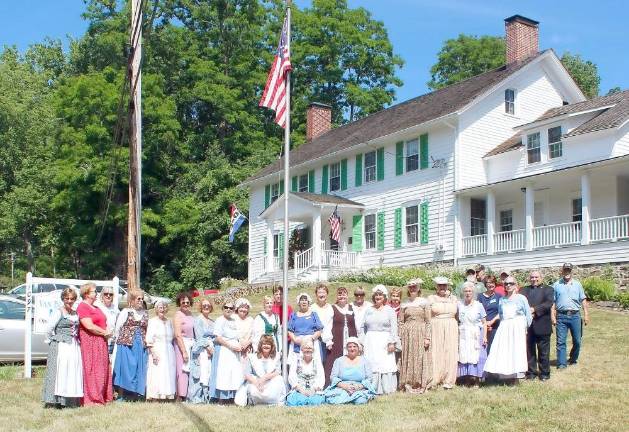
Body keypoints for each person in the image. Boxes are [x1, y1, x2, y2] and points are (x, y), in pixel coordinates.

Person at [483, 276, 532, 381]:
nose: (508, 286)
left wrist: (525, 329)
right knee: (504, 349)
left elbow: (528, 315)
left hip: (517, 327)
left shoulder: (521, 298)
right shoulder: (502, 300)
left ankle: (515, 375)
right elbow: (501, 314)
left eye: (511, 283)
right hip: (505, 327)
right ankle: (505, 374)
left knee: (516, 350)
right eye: (506, 284)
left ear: (515, 285)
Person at [42, 288, 83, 408]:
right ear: (63, 299)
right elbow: (48, 329)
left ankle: (69, 400)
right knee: (60, 372)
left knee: (71, 371)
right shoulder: (59, 312)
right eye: (67, 299)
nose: (69, 301)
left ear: (75, 299)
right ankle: (56, 401)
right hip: (61, 345)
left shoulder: (75, 314)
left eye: (72, 299)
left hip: (73, 346)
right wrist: (52, 340)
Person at [76, 282, 113, 406]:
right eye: (94, 291)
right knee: (92, 369)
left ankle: (102, 395)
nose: (96, 293)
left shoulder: (96, 307)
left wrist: (106, 333)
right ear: (86, 294)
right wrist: (104, 332)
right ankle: (92, 398)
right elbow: (89, 326)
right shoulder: (82, 307)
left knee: (102, 368)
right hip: (90, 342)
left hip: (101, 341)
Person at [360, 285, 399, 395]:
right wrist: (361, 342)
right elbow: (363, 327)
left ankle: (386, 388)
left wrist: (392, 342)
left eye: (380, 295)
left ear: (384, 297)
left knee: (385, 363)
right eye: (376, 295)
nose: (378, 297)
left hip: (384, 341)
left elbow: (394, 328)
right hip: (370, 341)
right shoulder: (368, 310)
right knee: (372, 363)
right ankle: (372, 387)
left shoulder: (389, 310)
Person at [112, 289, 149, 400]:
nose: (141, 301)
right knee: (125, 370)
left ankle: (136, 394)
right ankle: (122, 395)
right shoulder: (125, 312)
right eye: (138, 299)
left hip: (141, 345)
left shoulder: (145, 313)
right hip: (126, 345)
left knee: (139, 369)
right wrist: (119, 343)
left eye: (142, 299)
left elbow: (148, 329)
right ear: (132, 300)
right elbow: (118, 328)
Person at [552, 263, 590, 369]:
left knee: (577, 340)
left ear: (571, 271)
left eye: (569, 270)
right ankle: (561, 363)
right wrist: (552, 316)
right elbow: (553, 302)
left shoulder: (578, 284)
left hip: (575, 316)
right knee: (560, 341)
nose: (567, 272)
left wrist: (586, 314)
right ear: (562, 271)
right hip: (561, 316)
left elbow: (583, 299)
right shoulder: (556, 285)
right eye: (565, 270)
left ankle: (573, 359)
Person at [398, 278, 432, 394]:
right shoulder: (404, 303)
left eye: (415, 287)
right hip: (407, 334)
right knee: (408, 357)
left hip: (420, 333)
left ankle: (420, 383)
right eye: (410, 287)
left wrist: (427, 337)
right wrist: (400, 336)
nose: (412, 289)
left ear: (418, 289)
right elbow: (401, 322)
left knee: (420, 357)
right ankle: (408, 383)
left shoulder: (424, 302)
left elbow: (428, 321)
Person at [520, 271, 554, 381]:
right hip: (528, 326)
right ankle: (531, 373)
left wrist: (534, 310)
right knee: (529, 351)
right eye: (532, 277)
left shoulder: (548, 289)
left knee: (543, 352)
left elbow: (548, 303)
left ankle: (544, 374)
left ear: (541, 278)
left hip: (542, 324)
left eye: (536, 277)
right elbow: (520, 303)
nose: (534, 279)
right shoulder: (524, 290)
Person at [209, 301, 244, 403]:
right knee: (224, 374)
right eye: (226, 307)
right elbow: (218, 338)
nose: (228, 309)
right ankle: (222, 399)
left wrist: (239, 346)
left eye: (231, 308)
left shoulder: (234, 320)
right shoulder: (220, 320)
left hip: (235, 351)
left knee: (234, 374)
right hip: (225, 350)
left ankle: (232, 398)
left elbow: (238, 335)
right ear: (223, 308)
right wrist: (231, 347)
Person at [324, 337, 377, 405]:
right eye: (350, 347)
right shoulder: (339, 361)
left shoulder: (365, 361)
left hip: (359, 388)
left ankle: (352, 398)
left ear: (358, 348)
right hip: (342, 388)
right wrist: (344, 386)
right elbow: (333, 377)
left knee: (361, 401)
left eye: (354, 346)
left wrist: (359, 386)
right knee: (333, 399)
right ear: (346, 348)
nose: (352, 349)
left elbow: (369, 378)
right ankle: (347, 399)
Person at [323, 287, 358, 387]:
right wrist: (328, 341)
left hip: (350, 340)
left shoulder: (352, 308)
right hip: (336, 341)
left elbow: (357, 325)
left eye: (344, 294)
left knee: (351, 361)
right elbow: (327, 325)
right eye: (339, 294)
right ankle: (331, 385)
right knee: (333, 362)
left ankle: (350, 384)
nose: (342, 296)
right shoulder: (332, 308)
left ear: (347, 296)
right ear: (337, 296)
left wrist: (358, 341)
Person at [428, 277, 459, 389]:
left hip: (451, 325)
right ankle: (435, 378)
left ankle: (449, 379)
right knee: (437, 350)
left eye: (444, 285)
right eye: (440, 285)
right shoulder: (431, 298)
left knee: (450, 351)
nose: (442, 287)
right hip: (436, 325)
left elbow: (457, 315)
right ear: (436, 287)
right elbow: (428, 315)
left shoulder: (454, 298)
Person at [238, 335, 285, 406]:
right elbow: (247, 374)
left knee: (279, 379)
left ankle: (274, 402)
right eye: (264, 344)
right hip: (257, 383)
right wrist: (257, 383)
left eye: (268, 344)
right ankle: (256, 401)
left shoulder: (276, 357)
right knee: (252, 387)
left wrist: (265, 378)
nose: (266, 346)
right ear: (260, 345)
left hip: (270, 383)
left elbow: (278, 371)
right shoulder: (252, 357)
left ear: (272, 346)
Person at [457, 282, 488, 387]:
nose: (467, 293)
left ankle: (477, 381)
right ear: (463, 292)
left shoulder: (478, 305)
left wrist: (484, 336)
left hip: (476, 334)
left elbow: (484, 323)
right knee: (465, 354)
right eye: (465, 291)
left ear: (473, 292)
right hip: (464, 334)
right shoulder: (459, 304)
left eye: (470, 291)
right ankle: (467, 379)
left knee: (476, 356)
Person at [145, 300, 177, 401]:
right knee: (157, 372)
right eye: (160, 307)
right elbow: (149, 338)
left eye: (164, 307)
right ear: (156, 309)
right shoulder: (153, 321)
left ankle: (167, 394)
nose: (162, 309)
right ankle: (155, 395)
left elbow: (172, 337)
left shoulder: (169, 322)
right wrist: (153, 353)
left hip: (168, 349)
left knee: (168, 372)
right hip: (157, 348)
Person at [187, 298, 215, 403]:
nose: (206, 307)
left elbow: (215, 336)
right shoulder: (197, 320)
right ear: (201, 307)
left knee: (208, 373)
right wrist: (207, 347)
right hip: (200, 350)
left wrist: (212, 348)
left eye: (208, 305)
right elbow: (199, 336)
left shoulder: (213, 321)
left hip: (211, 350)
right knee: (199, 374)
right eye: (204, 305)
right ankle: (196, 397)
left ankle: (207, 397)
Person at [286, 337, 325, 406]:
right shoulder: (296, 360)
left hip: (314, 391)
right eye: (306, 348)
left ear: (313, 350)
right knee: (293, 401)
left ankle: (309, 401)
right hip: (299, 390)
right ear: (302, 349)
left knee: (316, 401)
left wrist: (313, 390)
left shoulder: (317, 361)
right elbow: (291, 377)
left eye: (310, 348)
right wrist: (301, 390)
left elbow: (321, 378)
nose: (308, 350)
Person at [287, 293, 324, 364]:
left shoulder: (313, 314)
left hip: (311, 342)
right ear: (298, 303)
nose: (304, 302)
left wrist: (311, 339)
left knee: (313, 365)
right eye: (301, 300)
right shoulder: (293, 315)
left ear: (308, 302)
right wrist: (295, 340)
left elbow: (319, 330)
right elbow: (290, 330)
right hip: (297, 342)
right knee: (297, 365)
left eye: (305, 300)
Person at [173, 291, 195, 401]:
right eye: (183, 302)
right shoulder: (178, 315)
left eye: (187, 302)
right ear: (179, 303)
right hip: (181, 344)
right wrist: (184, 351)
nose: (185, 304)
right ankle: (180, 395)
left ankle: (187, 393)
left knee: (189, 369)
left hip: (190, 343)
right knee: (181, 370)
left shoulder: (190, 314)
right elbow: (177, 334)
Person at [477, 275, 503, 353]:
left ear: (495, 284)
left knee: (494, 349)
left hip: (495, 326)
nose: (490, 284)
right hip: (483, 326)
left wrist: (491, 322)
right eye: (488, 282)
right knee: (483, 348)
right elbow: (478, 312)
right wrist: (485, 324)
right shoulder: (480, 296)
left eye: (492, 282)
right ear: (485, 284)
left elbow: (501, 312)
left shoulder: (499, 297)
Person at [311, 284, 334, 363]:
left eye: (323, 292)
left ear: (327, 294)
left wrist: (329, 340)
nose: (321, 295)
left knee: (327, 362)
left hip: (329, 340)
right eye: (319, 292)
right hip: (316, 339)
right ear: (316, 295)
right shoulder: (312, 308)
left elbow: (330, 324)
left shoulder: (331, 308)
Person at [95, 286, 119, 356]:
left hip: (112, 340)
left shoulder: (115, 308)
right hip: (100, 339)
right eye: (106, 294)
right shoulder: (97, 307)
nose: (108, 296)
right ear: (102, 295)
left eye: (110, 294)